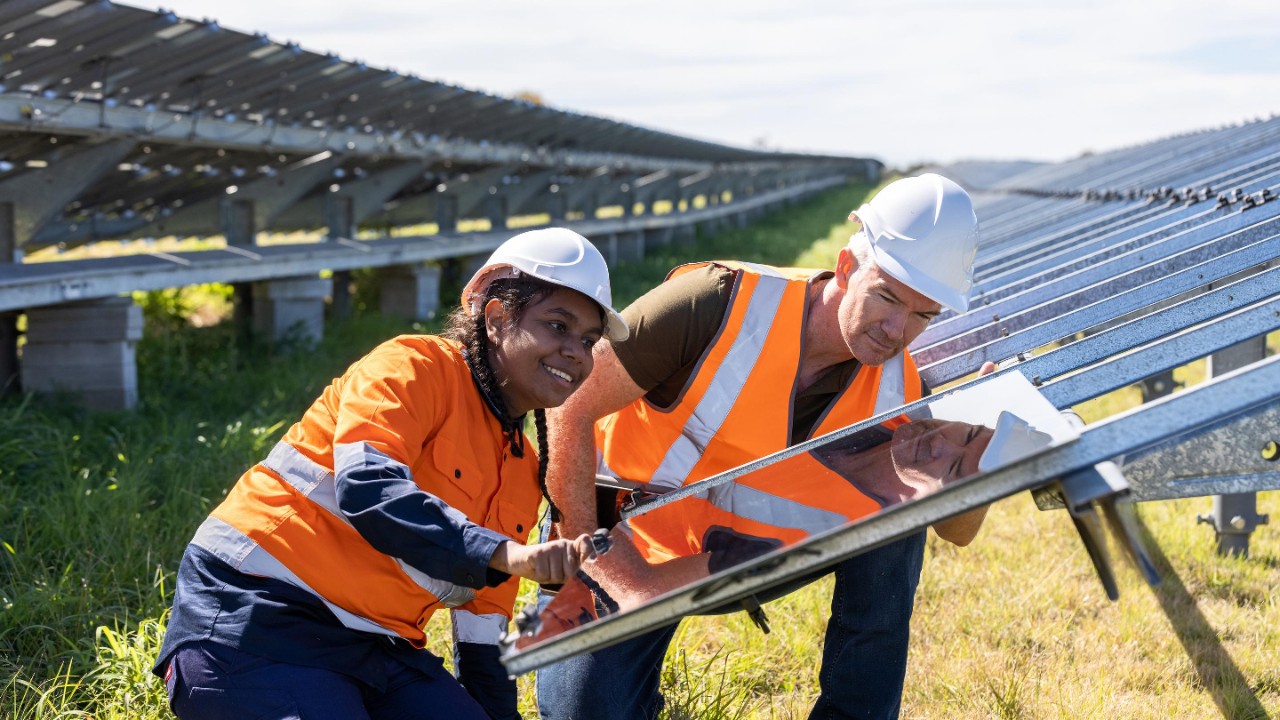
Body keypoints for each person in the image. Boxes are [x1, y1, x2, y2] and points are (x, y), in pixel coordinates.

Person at [537, 174, 990, 720]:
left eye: (923, 315)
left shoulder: (899, 388)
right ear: (847, 267)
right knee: (583, 712)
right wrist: (602, 563)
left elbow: (956, 530)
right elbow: (568, 405)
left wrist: (983, 441)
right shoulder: (714, 302)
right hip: (624, 538)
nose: (896, 330)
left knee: (901, 513)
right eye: (886, 296)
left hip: (742, 551)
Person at [152, 228, 629, 720]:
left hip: (379, 646)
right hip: (256, 617)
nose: (577, 351)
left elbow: (483, 637)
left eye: (589, 340)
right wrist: (505, 553)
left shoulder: (521, 467)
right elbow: (368, 489)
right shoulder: (412, 367)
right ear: (496, 318)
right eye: (557, 325)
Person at [514, 418, 998, 648]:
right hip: (589, 504)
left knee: (897, 527)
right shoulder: (893, 376)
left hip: (661, 565)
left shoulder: (872, 503)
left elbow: (959, 529)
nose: (942, 441)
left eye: (952, 465)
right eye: (969, 431)